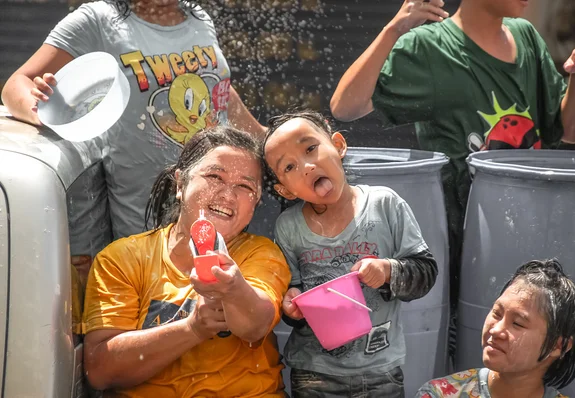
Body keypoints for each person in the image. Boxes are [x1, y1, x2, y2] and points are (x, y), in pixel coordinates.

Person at [329, 0, 575, 355]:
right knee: (471, 350)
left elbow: (567, 129)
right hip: (468, 248)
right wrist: (394, 29)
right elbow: (345, 106)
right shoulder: (430, 46)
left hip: (533, 233)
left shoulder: (527, 37)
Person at [1, 0, 266, 276]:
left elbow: (216, 89)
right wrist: (47, 113)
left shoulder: (197, 16)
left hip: (221, 206)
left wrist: (267, 141)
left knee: (226, 297)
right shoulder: (99, 20)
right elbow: (18, 83)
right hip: (146, 219)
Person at [82, 126, 291, 397]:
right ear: (180, 184)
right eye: (215, 176)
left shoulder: (261, 253)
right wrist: (193, 328)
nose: (228, 195)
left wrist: (234, 289)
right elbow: (100, 372)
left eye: (244, 186)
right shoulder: (122, 258)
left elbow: (255, 326)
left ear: (255, 203)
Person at [262, 110, 438, 397]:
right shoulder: (288, 227)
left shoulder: (385, 204)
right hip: (313, 373)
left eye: (310, 148)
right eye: (290, 167)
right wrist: (292, 307)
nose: (307, 166)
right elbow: (293, 292)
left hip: (380, 369)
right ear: (286, 190)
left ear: (339, 145)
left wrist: (387, 271)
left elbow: (426, 272)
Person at [415, 258, 575, 398]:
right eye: (497, 313)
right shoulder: (438, 394)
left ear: (558, 346)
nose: (496, 330)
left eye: (518, 323)